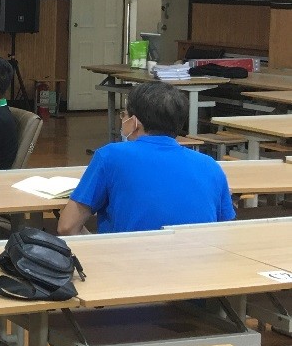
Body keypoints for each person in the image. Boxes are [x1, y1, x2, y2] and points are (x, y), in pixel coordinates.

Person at [58, 81, 235, 235]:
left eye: (124, 114)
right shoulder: (210, 166)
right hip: (198, 262)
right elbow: (226, 230)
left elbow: (67, 227)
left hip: (128, 262)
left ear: (135, 122)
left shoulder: (110, 156)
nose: (122, 119)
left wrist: (99, 246)